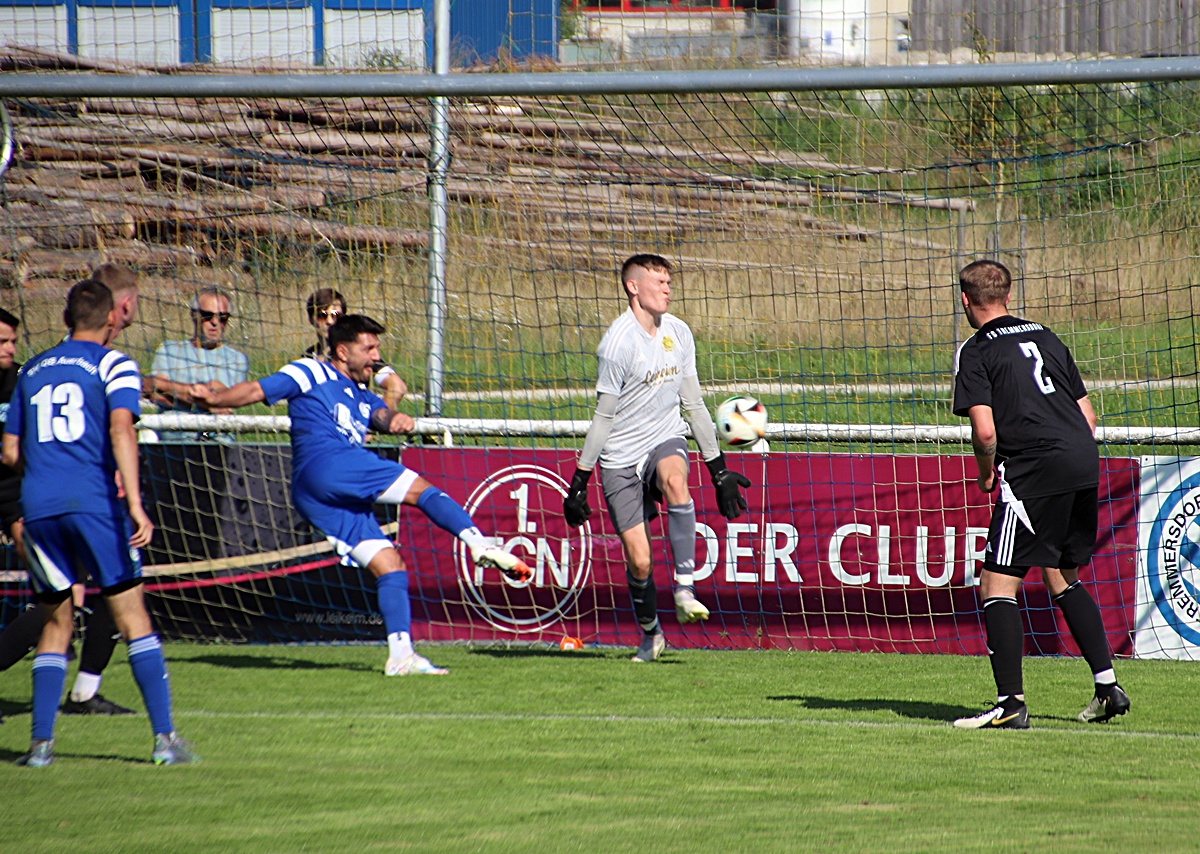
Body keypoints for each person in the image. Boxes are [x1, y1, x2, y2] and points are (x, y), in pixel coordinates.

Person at [191, 314, 532, 676]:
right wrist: (218, 399)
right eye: (368, 347)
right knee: (423, 490)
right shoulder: (310, 371)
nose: (375, 355)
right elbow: (258, 390)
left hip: (316, 495)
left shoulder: (360, 395)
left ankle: (401, 656)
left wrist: (395, 420)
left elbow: (381, 415)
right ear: (342, 350)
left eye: (377, 348)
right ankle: (478, 542)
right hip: (329, 465)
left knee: (390, 566)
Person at [3, 278, 196, 766]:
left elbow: (8, 451)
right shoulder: (113, 363)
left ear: (66, 318)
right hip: (93, 505)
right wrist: (133, 502)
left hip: (39, 510)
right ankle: (164, 741)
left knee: (55, 622)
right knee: (132, 616)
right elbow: (120, 429)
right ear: (112, 318)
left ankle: (41, 747)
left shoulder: (34, 368)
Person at [950, 259, 1130, 730]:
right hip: (1082, 460)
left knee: (995, 583)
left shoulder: (975, 350)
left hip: (1033, 469)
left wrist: (987, 474)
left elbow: (985, 433)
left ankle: (1010, 705)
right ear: (1008, 296)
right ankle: (1108, 686)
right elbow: (1088, 418)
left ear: (965, 300)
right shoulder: (1046, 336)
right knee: (1060, 573)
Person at [562, 254, 751, 663]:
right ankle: (651, 635)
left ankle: (685, 588)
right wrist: (579, 481)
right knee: (640, 561)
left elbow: (694, 405)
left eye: (669, 281)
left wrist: (718, 471)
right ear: (634, 287)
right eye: (658, 281)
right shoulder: (616, 344)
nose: (667, 288)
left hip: (664, 438)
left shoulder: (679, 333)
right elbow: (603, 418)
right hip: (619, 458)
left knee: (675, 481)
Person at [0, 269, 139, 717]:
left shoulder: (30, 370)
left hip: (34, 492)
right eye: (2, 340)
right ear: (116, 311)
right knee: (65, 600)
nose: (9, 348)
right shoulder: (76, 366)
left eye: (11, 340)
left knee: (76, 595)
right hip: (39, 496)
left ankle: (80, 695)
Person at [146, 287, 249, 441]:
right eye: (208, 316)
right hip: (174, 440)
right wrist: (204, 398)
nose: (215, 322)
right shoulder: (169, 350)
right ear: (194, 315)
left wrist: (169, 388)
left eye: (222, 317)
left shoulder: (236, 360)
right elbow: (153, 392)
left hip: (215, 438)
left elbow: (225, 404)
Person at [305, 288, 408, 410]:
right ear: (311, 319)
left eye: (336, 316)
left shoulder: (358, 353)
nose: (329, 321)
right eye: (322, 316)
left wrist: (375, 420)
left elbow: (397, 387)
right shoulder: (308, 356)